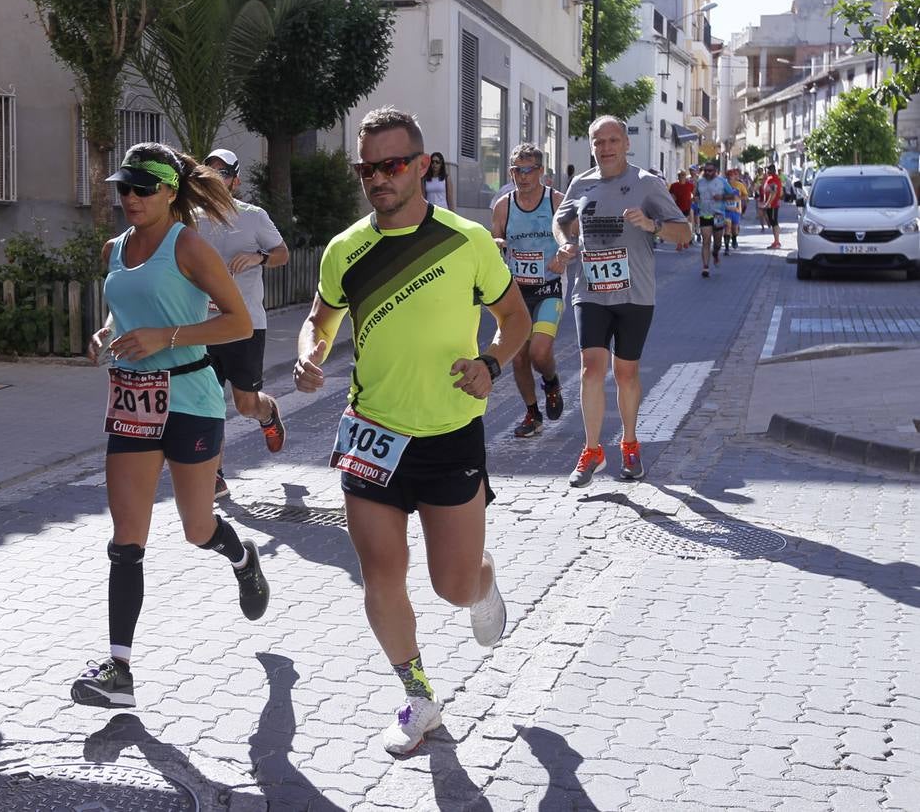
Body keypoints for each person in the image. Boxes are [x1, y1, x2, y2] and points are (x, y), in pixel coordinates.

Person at [294, 107, 531, 755]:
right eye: (365, 168)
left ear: (422, 167)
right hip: (370, 433)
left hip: (449, 434)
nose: (377, 178)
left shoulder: (465, 241)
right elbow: (319, 317)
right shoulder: (346, 249)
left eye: (391, 165)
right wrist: (310, 352)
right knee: (380, 575)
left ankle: (482, 580)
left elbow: (513, 317)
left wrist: (490, 364)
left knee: (449, 585)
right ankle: (417, 697)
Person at [70, 143, 270, 709]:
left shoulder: (190, 246)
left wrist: (166, 337)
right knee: (125, 541)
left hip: (189, 397)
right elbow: (126, 304)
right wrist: (106, 331)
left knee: (197, 528)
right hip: (133, 399)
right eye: (123, 189)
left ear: (170, 192)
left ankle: (241, 558)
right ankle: (119, 670)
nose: (129, 198)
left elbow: (236, 323)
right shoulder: (116, 248)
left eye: (142, 188)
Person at [553, 116, 691, 487]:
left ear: (627, 144)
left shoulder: (647, 184)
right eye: (599, 142)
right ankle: (593, 450)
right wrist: (565, 243)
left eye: (613, 140)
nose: (607, 148)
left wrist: (653, 226)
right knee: (590, 367)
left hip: (635, 293)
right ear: (591, 146)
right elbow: (561, 219)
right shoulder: (580, 183)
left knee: (626, 372)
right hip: (590, 290)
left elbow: (685, 232)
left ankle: (629, 443)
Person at [200, 148, 290, 500]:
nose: (217, 178)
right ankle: (215, 475)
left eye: (224, 173)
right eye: (211, 171)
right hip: (202, 325)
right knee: (206, 403)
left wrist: (259, 256)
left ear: (236, 181)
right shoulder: (189, 218)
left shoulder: (253, 217)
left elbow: (282, 254)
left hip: (245, 325)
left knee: (245, 404)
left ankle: (267, 413)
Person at [490, 143, 569, 439]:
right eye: (516, 170)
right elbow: (495, 236)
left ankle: (551, 382)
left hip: (549, 288)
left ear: (541, 172)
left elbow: (572, 237)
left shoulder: (556, 201)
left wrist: (564, 254)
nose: (522, 177)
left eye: (528, 170)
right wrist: (496, 243)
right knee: (519, 357)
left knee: (538, 351)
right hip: (516, 293)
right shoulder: (504, 205)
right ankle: (532, 413)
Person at [694, 162, 737, 278]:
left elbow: (732, 195)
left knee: (717, 242)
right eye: (706, 170)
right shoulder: (700, 182)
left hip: (718, 215)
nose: (707, 173)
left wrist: (722, 197)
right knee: (706, 240)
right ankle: (705, 267)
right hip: (705, 214)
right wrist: (696, 198)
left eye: (710, 171)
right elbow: (696, 195)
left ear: (715, 171)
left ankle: (716, 252)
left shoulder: (722, 181)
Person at [668, 170, 696, 251]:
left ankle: (686, 241)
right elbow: (671, 195)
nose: (682, 177)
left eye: (683, 176)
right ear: (678, 177)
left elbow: (694, 194)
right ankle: (679, 243)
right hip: (677, 208)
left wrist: (693, 199)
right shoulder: (674, 185)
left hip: (687, 207)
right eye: (680, 176)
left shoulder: (690, 185)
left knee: (685, 225)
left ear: (685, 177)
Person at [760, 164, 784, 249]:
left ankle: (777, 242)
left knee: (774, 223)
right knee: (772, 222)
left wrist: (768, 203)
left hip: (772, 205)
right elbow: (781, 193)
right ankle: (776, 241)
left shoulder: (772, 180)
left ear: (770, 171)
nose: (766, 172)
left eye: (767, 170)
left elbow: (773, 192)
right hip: (773, 204)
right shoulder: (776, 179)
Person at [724, 166, 747, 252]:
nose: (730, 177)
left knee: (734, 230)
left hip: (735, 210)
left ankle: (734, 239)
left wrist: (739, 198)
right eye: (728, 175)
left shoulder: (739, 185)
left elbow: (745, 196)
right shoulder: (723, 186)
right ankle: (726, 248)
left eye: (732, 175)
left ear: (735, 176)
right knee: (727, 227)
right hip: (725, 211)